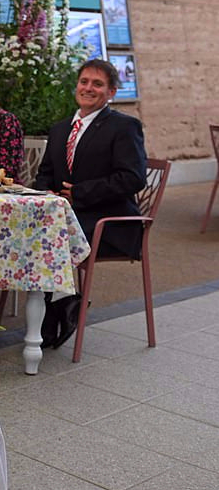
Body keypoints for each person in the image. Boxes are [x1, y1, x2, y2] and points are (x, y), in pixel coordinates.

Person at [34, 58, 147, 348]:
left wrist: (80, 192)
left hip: (109, 223)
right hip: (66, 221)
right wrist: (48, 193)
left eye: (98, 84)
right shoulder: (61, 129)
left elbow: (133, 178)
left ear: (111, 92)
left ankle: (54, 313)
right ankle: (60, 304)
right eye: (84, 81)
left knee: (48, 239)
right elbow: (44, 174)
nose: (88, 88)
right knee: (31, 232)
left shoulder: (124, 127)